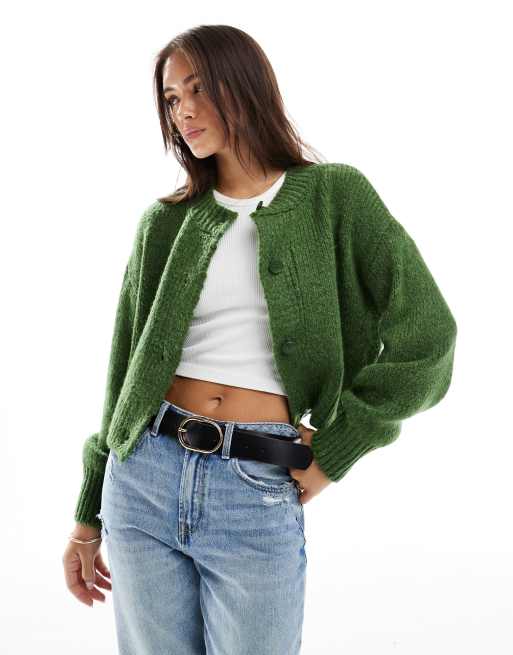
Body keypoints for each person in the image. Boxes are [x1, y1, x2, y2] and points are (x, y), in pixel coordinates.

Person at [62, 25, 457, 655]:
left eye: (198, 89)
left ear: (243, 84)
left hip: (257, 482)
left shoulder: (334, 196)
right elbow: (124, 372)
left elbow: (428, 336)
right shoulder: (166, 223)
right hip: (143, 479)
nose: (183, 110)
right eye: (171, 99)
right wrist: (88, 514)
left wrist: (337, 448)